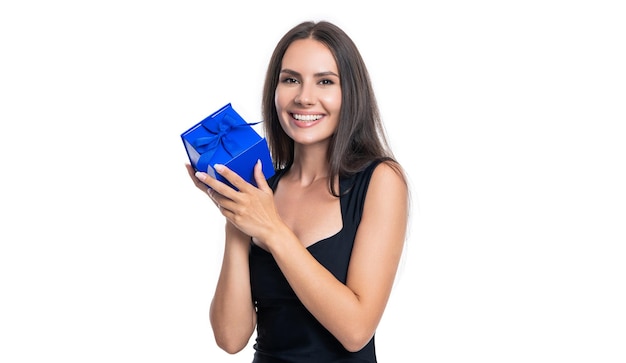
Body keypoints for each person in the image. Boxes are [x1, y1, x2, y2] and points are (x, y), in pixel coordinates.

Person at [186, 20, 410, 363]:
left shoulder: (380, 180)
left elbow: (355, 331)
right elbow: (231, 338)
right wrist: (235, 214)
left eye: (325, 81)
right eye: (290, 80)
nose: (305, 97)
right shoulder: (263, 191)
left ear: (350, 92)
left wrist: (272, 230)